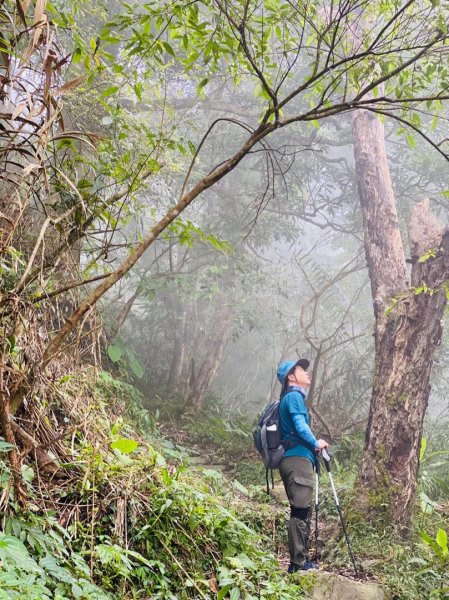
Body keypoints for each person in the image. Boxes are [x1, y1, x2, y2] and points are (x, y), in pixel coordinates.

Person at [277, 358, 329, 573]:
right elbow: (300, 426)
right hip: (297, 460)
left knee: (303, 511)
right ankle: (297, 565)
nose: (307, 373)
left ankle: (301, 560)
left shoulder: (291, 398)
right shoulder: (294, 397)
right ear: (291, 376)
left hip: (296, 459)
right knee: (300, 511)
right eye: (302, 370)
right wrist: (316, 443)